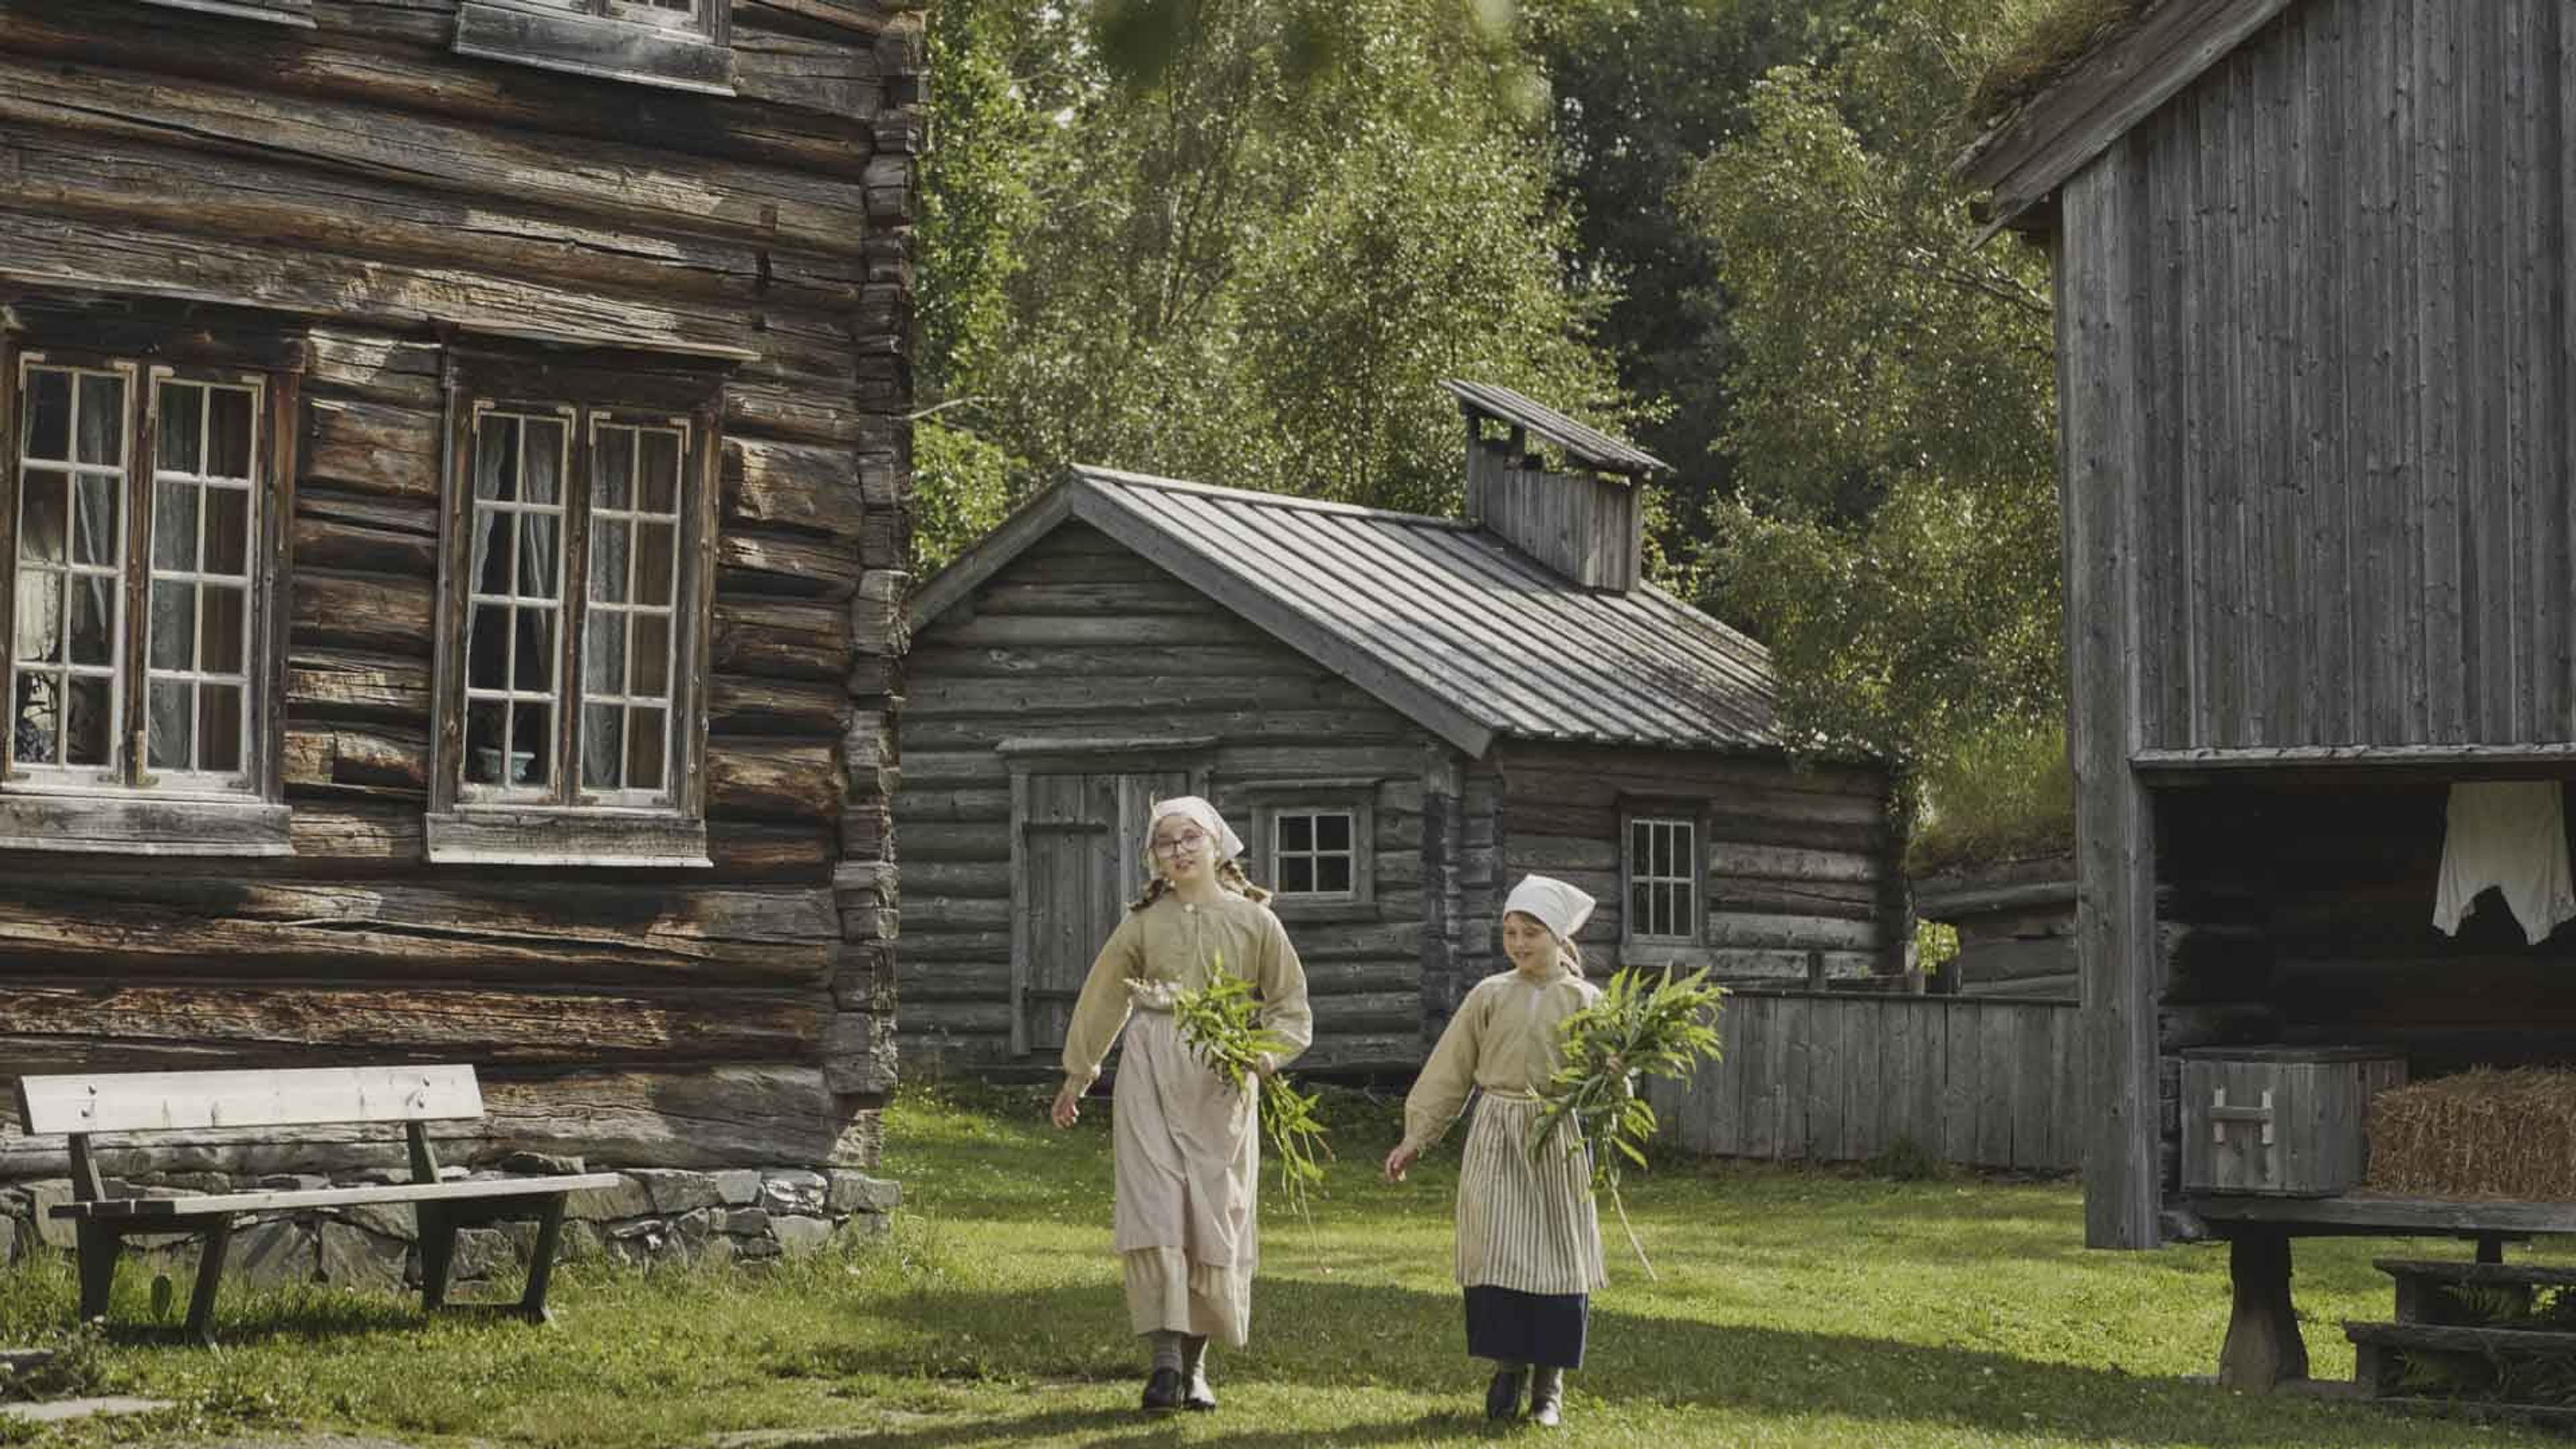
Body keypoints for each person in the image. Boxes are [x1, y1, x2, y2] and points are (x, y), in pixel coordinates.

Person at [1049, 795, 1313, 1414]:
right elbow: (1103, 998)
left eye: (1189, 837)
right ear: (1155, 856)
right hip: (1150, 1067)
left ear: (1216, 842)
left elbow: (1290, 1004)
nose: (1179, 850)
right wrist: (1078, 1075)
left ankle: (1197, 1370)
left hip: (1220, 1077)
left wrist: (1265, 1054)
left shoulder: (1256, 923)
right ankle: (1164, 1364)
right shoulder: (1143, 922)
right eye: (1166, 842)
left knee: (1210, 1213)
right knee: (1157, 1210)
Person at [1382, 873, 1607, 1428]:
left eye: (1531, 932)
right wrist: (1418, 1136)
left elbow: (1610, 1079)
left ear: (1557, 936)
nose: (1520, 943)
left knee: (1558, 1260)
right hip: (1498, 1133)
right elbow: (1451, 1068)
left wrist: (1615, 1077)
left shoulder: (1586, 1000)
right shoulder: (1489, 994)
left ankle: (1549, 1387)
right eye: (1510, 933)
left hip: (1556, 1135)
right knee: (1498, 1252)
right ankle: (1509, 1370)